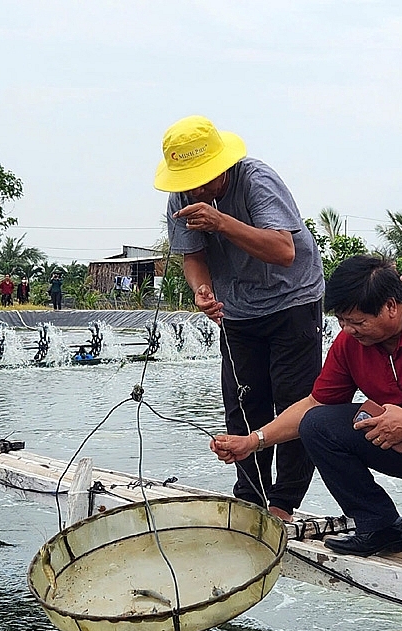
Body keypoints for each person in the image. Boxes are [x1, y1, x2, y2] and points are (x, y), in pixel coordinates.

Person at [211, 255, 402, 574]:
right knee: (318, 425)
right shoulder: (350, 344)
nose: (348, 330)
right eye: (342, 320)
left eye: (357, 321)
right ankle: (381, 526)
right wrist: (254, 441)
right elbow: (314, 405)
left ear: (392, 307)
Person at [155, 115, 325, 522]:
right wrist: (201, 290)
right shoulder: (181, 197)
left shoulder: (256, 181)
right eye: (188, 180)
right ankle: (250, 499)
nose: (196, 188)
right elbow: (192, 256)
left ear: (222, 164)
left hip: (292, 300)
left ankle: (284, 504)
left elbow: (284, 251)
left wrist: (222, 222)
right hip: (238, 310)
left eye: (204, 177)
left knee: (295, 403)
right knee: (245, 405)